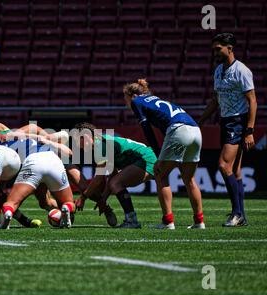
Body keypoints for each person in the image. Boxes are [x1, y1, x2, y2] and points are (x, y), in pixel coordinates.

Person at [124, 79, 205, 230]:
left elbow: (146, 128)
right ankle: (199, 221)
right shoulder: (156, 99)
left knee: (160, 174)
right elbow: (163, 126)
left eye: (126, 99)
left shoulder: (137, 101)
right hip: (195, 129)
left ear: (133, 95)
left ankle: (168, 222)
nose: (126, 103)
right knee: (189, 179)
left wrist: (156, 153)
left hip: (179, 130)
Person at [198, 33, 257, 227]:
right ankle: (241, 216)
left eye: (218, 49)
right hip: (225, 121)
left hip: (238, 122)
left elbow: (252, 101)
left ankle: (237, 213)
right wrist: (200, 121)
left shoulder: (242, 71)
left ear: (229, 48)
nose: (215, 52)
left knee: (223, 165)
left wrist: (249, 130)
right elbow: (215, 100)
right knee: (236, 170)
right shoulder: (218, 71)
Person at [72, 122, 157, 228]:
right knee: (115, 182)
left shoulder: (100, 146)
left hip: (145, 159)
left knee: (115, 183)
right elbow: (113, 173)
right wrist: (103, 199)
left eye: (77, 140)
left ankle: (132, 221)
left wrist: (83, 197)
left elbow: (98, 179)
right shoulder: (101, 143)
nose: (77, 144)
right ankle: (132, 220)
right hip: (145, 158)